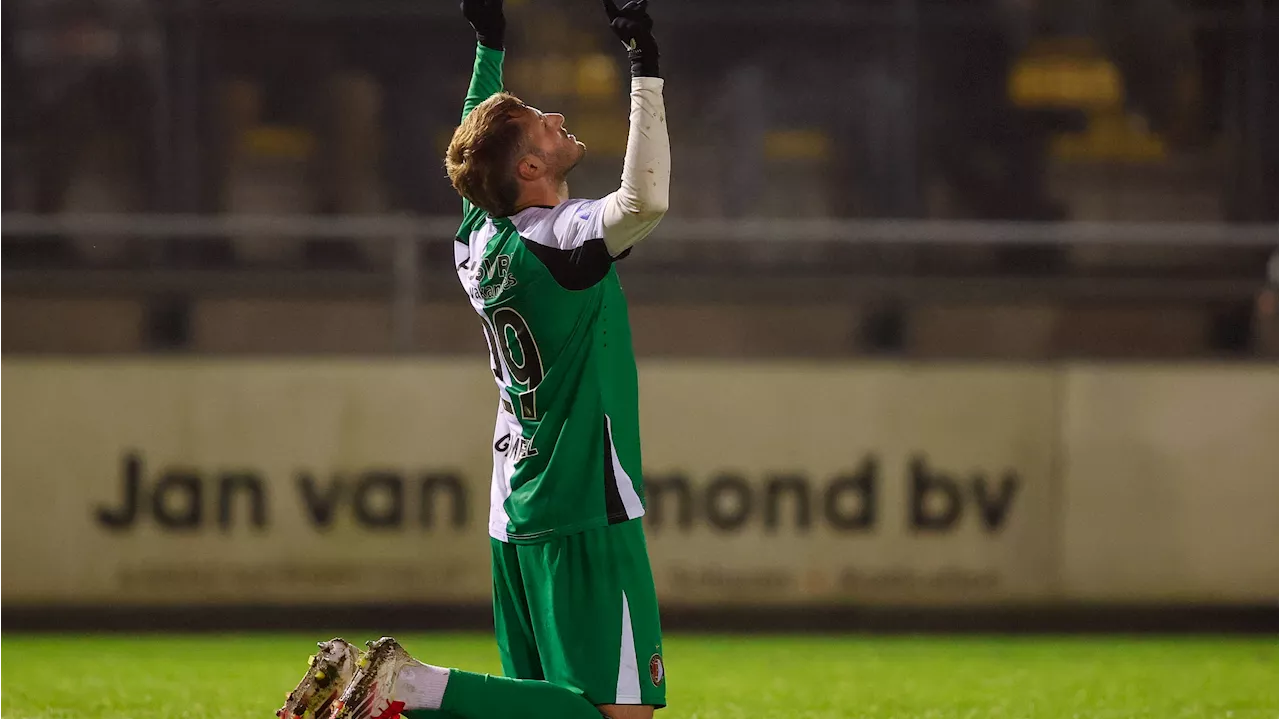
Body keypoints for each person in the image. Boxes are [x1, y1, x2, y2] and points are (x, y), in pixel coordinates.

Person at [275, 1, 671, 719]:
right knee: (616, 715)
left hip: (514, 506)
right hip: (586, 502)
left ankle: (367, 706)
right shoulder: (561, 239)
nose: (555, 116)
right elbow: (645, 200)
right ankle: (414, 689)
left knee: (538, 706)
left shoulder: (482, 242)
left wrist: (490, 45)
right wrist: (644, 62)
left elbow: (473, 157)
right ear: (527, 166)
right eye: (539, 124)